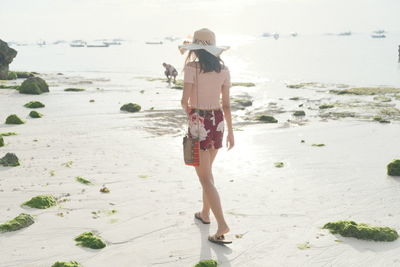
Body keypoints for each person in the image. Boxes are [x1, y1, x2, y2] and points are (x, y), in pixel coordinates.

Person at [179, 28, 234, 245]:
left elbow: (184, 101)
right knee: (208, 172)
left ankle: (222, 224)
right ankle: (204, 213)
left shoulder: (192, 67)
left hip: (199, 120)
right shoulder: (224, 69)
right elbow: (227, 105)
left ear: (196, 48)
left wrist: (192, 115)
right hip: (218, 121)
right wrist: (231, 132)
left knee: (204, 177)